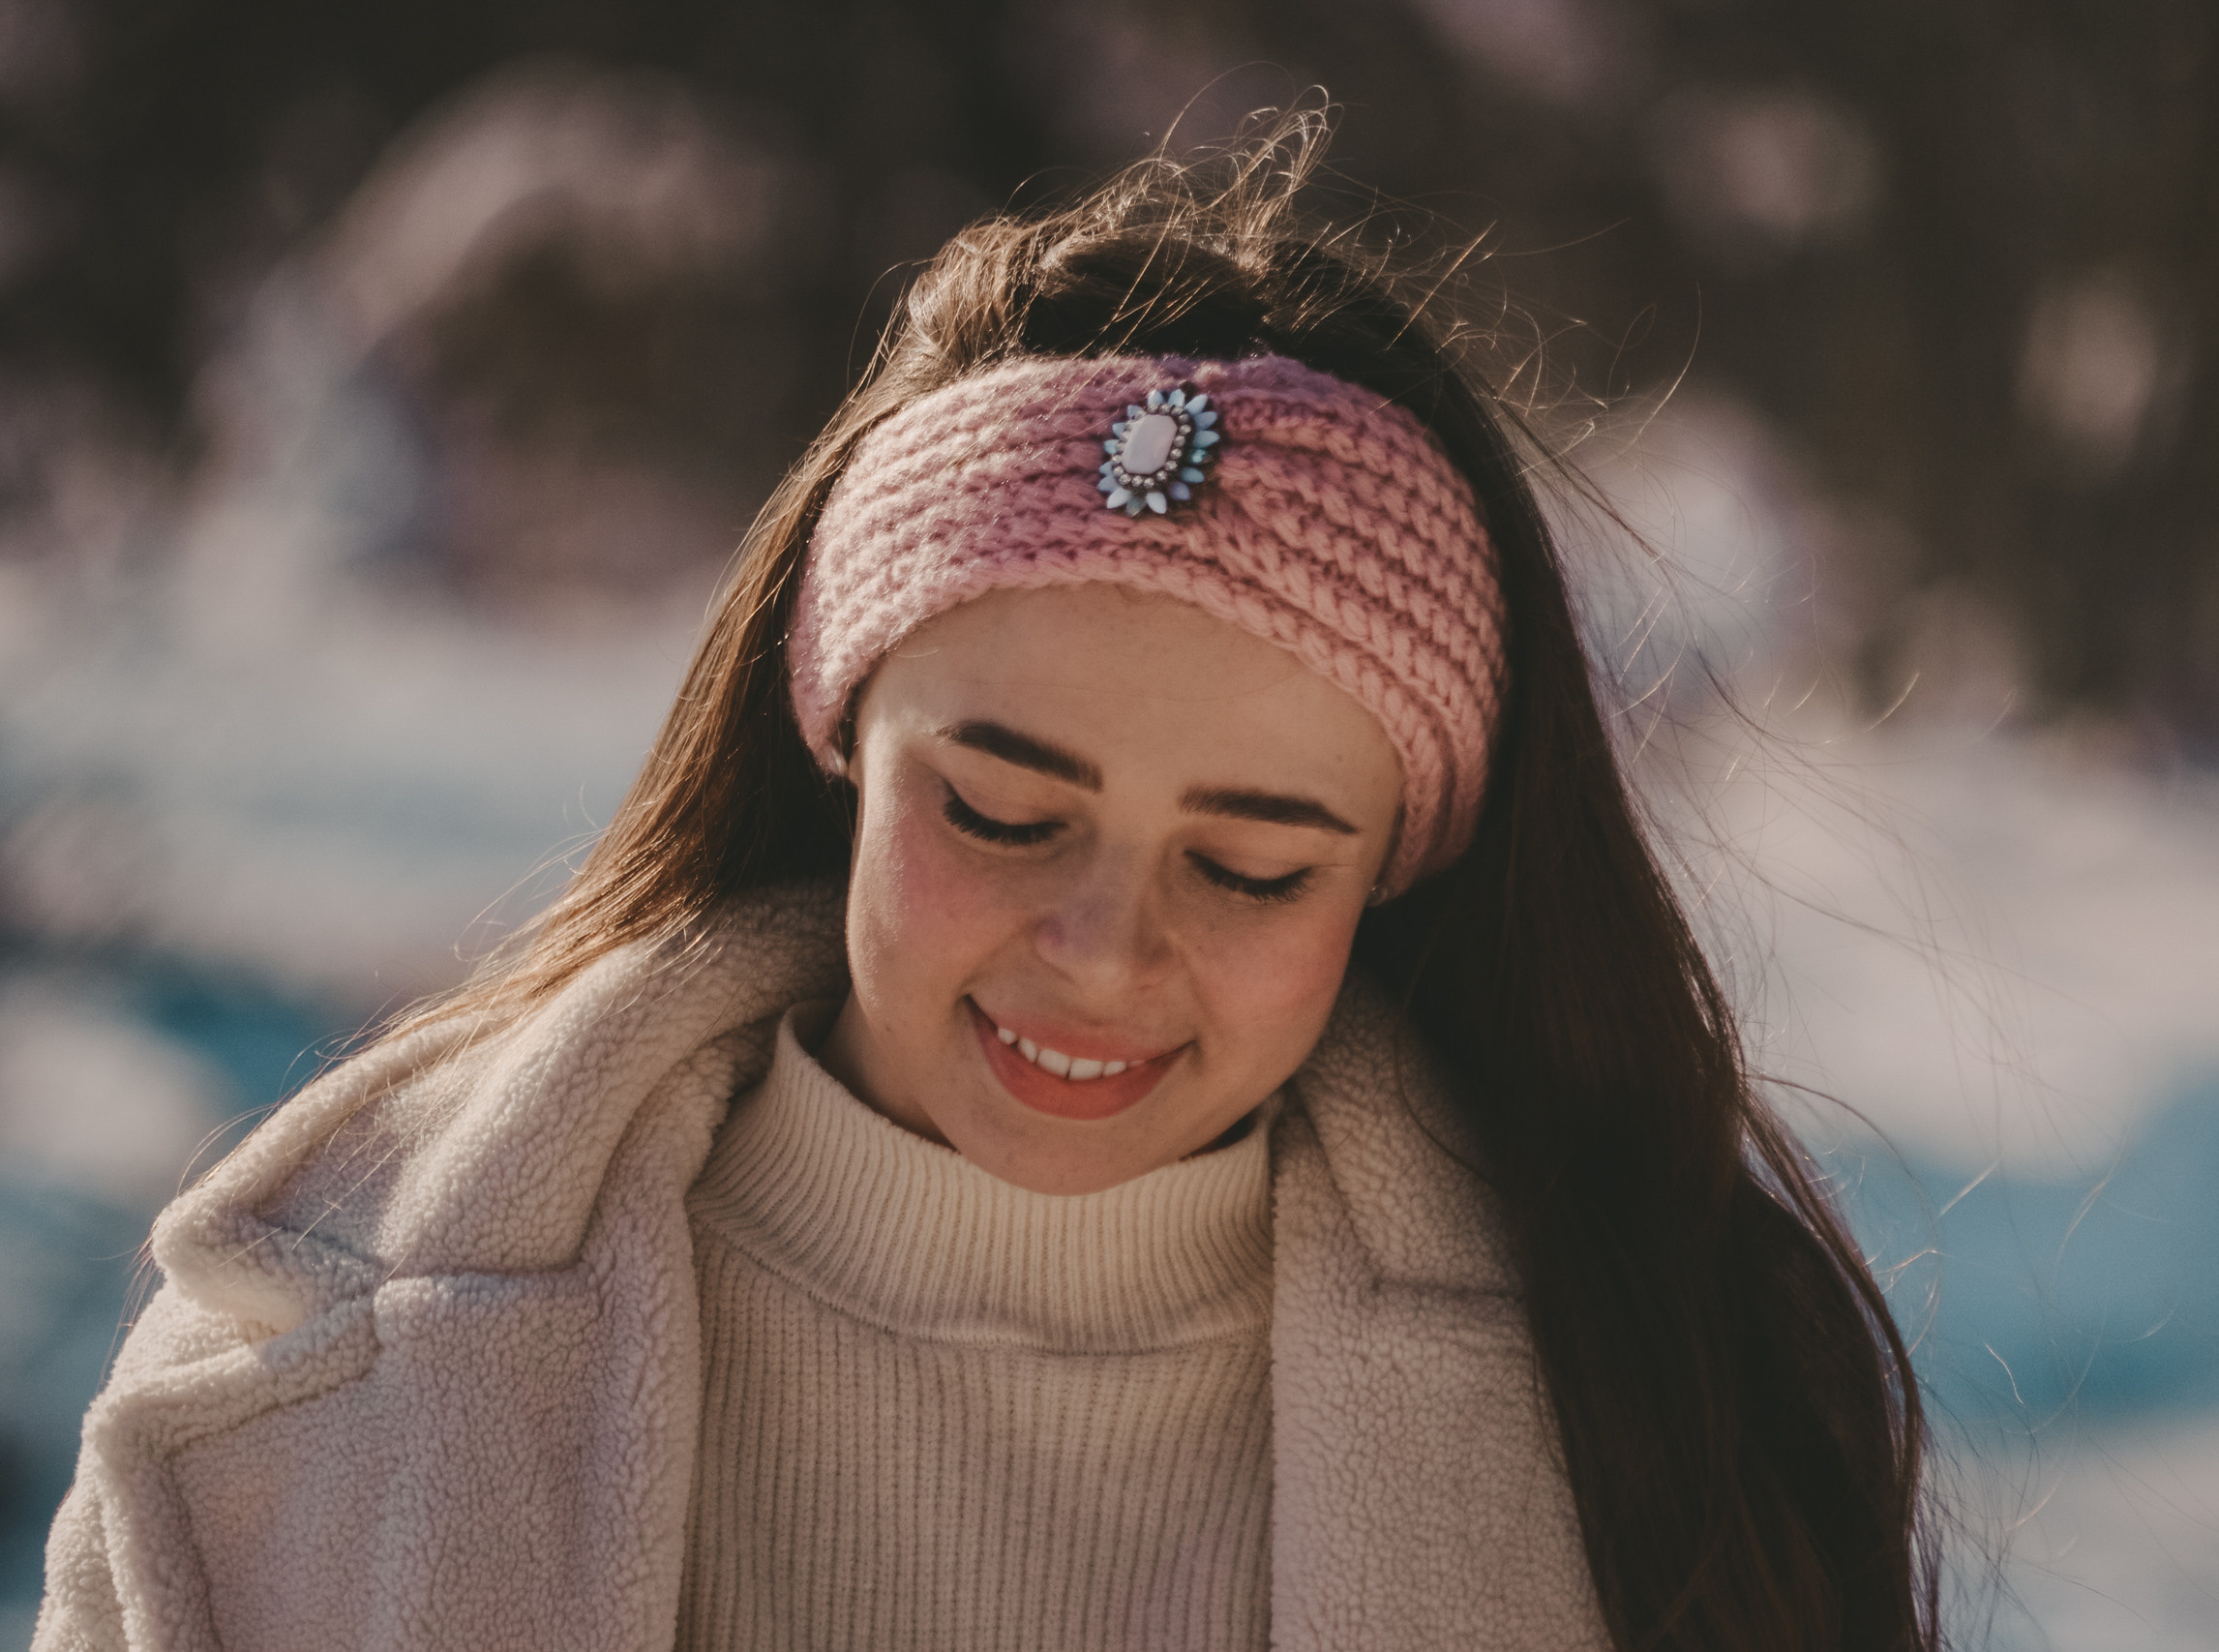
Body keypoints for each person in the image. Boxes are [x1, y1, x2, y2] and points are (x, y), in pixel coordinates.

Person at [37, 123, 1936, 1652]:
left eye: (1251, 860)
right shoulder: (294, 1381)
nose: (1103, 944)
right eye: (1005, 809)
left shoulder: (1678, 1417)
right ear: (838, 728)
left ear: (1400, 863)